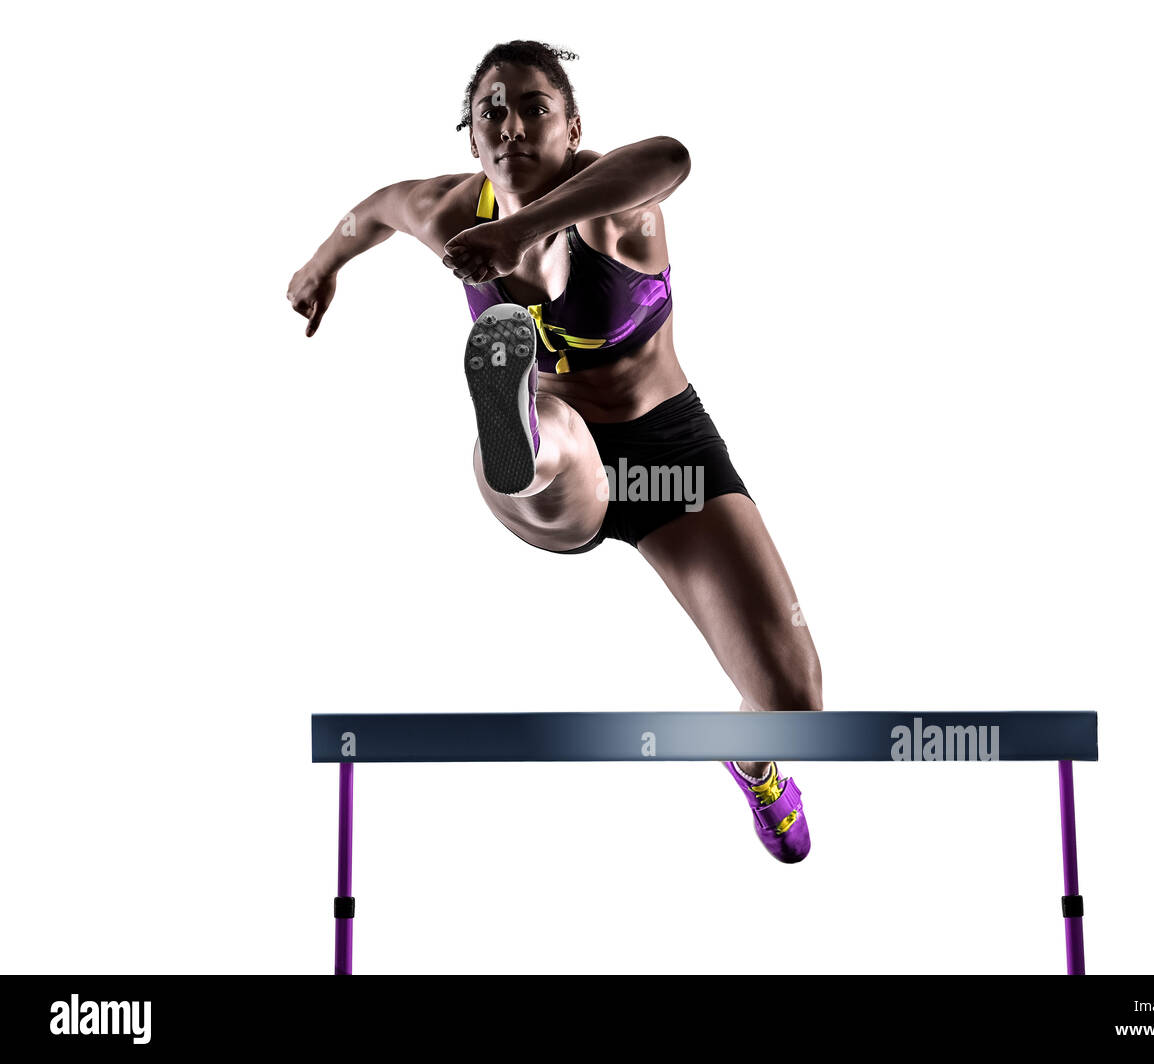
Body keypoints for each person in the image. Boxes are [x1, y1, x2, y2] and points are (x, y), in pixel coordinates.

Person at [287, 40, 822, 863]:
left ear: (573, 128)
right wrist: (320, 267)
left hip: (666, 457)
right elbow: (375, 212)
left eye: (535, 106)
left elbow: (671, 156)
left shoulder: (619, 206)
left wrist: (525, 231)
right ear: (472, 138)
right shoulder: (447, 212)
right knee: (548, 433)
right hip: (565, 469)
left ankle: (753, 758)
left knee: (798, 704)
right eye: (491, 110)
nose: (511, 125)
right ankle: (514, 428)